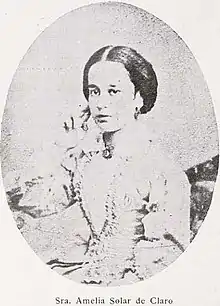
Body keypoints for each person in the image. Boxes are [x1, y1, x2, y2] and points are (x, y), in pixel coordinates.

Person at [50, 45, 190, 286]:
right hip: (85, 278)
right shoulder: (84, 159)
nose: (101, 103)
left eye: (113, 91)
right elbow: (41, 203)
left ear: (139, 98)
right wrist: (64, 144)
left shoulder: (160, 170)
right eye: (94, 92)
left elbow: (165, 256)